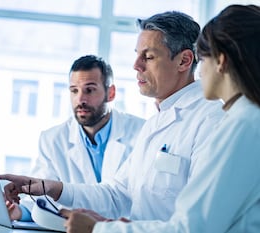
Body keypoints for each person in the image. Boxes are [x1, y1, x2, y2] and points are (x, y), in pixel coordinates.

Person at [0, 11, 225, 222]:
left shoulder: (211, 121)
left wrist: (105, 229)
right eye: (137, 56)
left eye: (148, 57)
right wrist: (49, 187)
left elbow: (200, 223)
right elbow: (118, 194)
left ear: (184, 61)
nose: (136, 66)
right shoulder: (156, 123)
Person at [60, 4, 260, 233]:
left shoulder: (240, 124)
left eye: (203, 59)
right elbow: (123, 193)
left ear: (221, 61)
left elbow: (191, 228)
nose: (201, 71)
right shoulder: (242, 119)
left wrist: (98, 230)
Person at [7, 55, 145, 221]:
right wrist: (18, 211)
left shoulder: (142, 133)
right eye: (74, 90)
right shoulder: (52, 140)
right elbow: (42, 201)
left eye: (90, 90)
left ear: (111, 93)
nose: (80, 99)